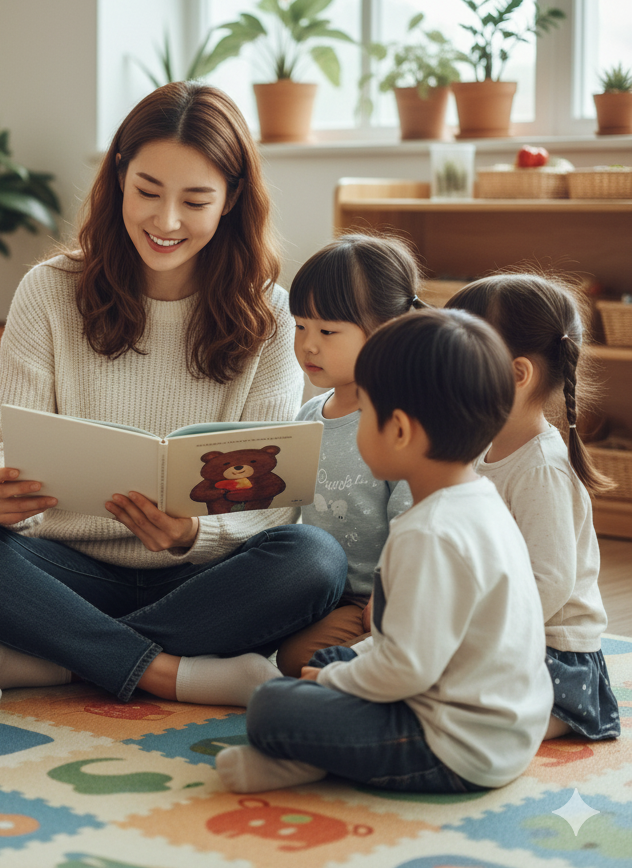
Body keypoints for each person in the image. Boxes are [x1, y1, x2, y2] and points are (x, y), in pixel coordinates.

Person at [0, 82, 347, 706]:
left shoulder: (270, 315)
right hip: (65, 571)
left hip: (203, 578)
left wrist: (193, 537)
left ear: (232, 200)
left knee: (314, 558)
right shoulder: (48, 291)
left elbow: (268, 506)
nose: (165, 222)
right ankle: (167, 671)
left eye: (195, 201)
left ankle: (62, 658)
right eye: (146, 192)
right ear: (117, 179)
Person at [217, 309, 554, 794]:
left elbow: (406, 670)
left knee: (273, 704)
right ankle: (313, 757)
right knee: (333, 658)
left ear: (398, 430)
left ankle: (307, 757)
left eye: (365, 413)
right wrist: (342, 670)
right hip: (500, 729)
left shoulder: (428, 534)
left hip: (453, 746)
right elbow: (415, 647)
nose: (356, 427)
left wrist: (332, 684)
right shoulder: (479, 502)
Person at [446, 273, 620, 741]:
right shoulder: (484, 450)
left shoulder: (541, 467)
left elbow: (551, 581)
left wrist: (478, 630)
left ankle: (558, 713)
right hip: (501, 630)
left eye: (457, 357)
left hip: (553, 651)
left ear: (518, 375)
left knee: (455, 708)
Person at [277, 234, 418, 677]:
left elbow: (412, 520)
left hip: (380, 594)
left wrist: (389, 590)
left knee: (296, 660)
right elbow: (288, 515)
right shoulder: (307, 416)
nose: (308, 345)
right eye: (300, 326)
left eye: (327, 331)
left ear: (385, 330)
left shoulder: (400, 419)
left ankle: (396, 658)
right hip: (321, 589)